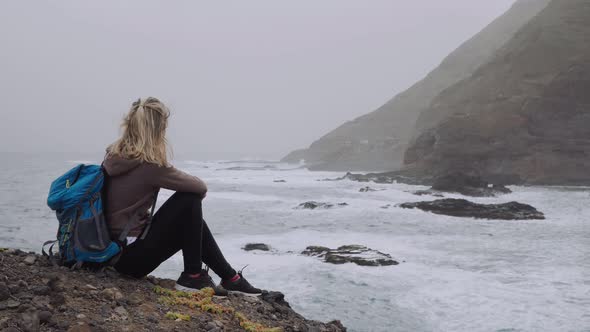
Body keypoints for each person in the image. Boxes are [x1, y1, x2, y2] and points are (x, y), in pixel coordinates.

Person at [102, 97, 261, 296]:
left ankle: (230, 278)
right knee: (189, 200)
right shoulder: (150, 165)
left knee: (191, 218)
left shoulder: (111, 157)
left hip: (109, 253)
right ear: (156, 130)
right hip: (129, 261)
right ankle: (194, 276)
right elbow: (199, 187)